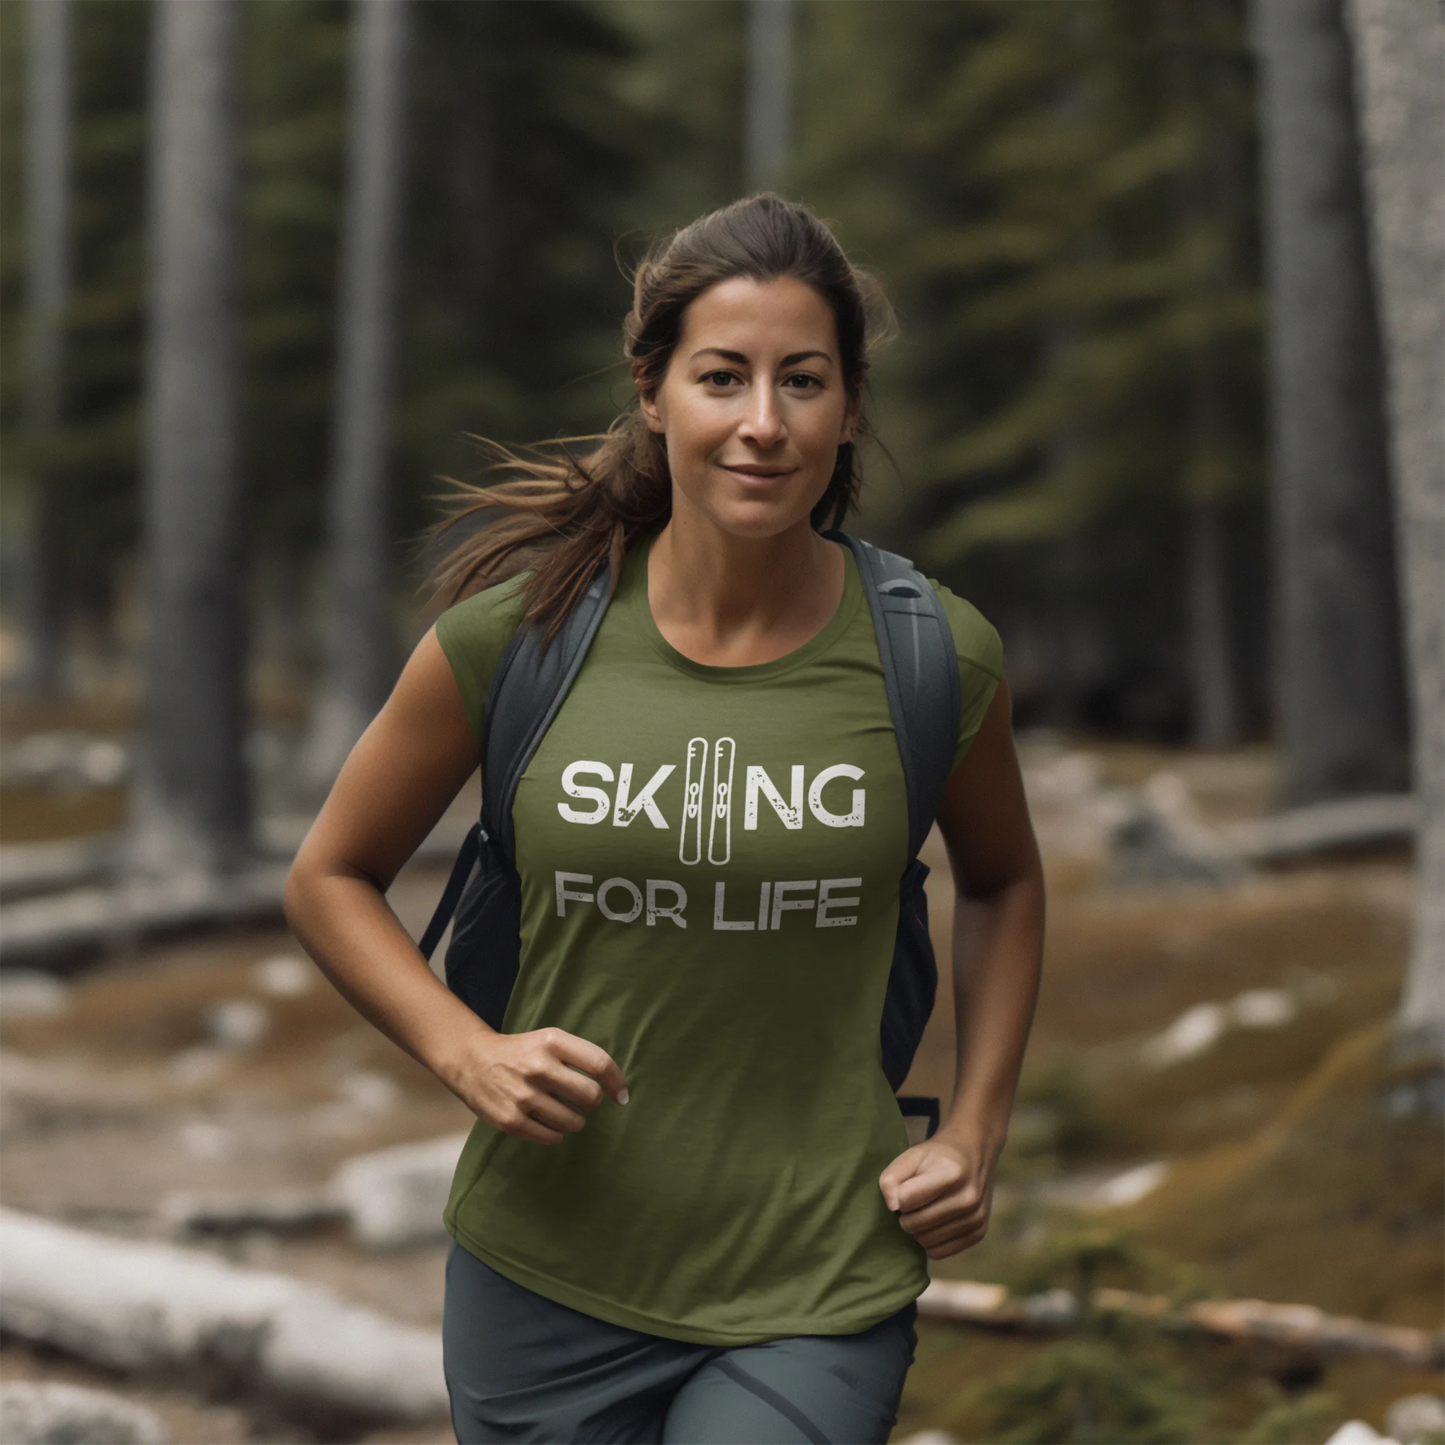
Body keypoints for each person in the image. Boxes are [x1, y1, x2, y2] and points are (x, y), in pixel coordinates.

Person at [285, 194, 1045, 1445]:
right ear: (652, 391)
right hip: (543, 1270)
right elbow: (329, 875)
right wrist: (465, 1051)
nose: (763, 422)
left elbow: (1005, 882)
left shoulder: (932, 655)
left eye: (803, 380)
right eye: (722, 376)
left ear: (850, 406)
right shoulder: (516, 637)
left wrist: (975, 1127)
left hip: (815, 1273)